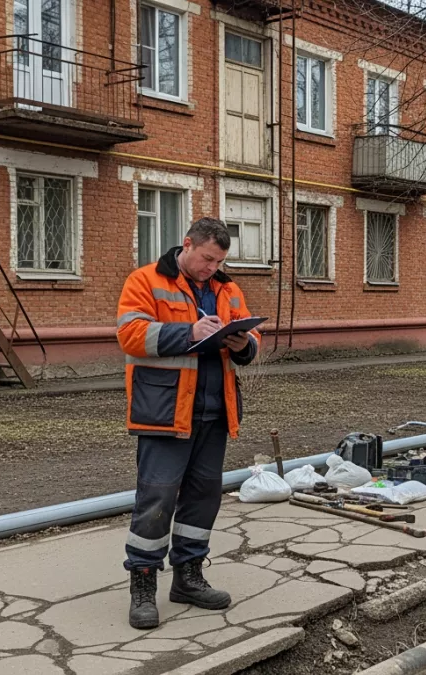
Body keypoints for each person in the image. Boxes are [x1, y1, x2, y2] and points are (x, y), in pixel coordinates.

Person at [115, 217, 260, 629]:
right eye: (207, 259)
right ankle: (143, 584)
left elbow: (252, 341)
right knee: (156, 499)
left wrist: (243, 343)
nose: (212, 268)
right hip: (164, 412)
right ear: (188, 244)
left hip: (214, 413)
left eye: (219, 262)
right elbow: (130, 335)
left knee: (203, 497)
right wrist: (190, 332)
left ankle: (188, 577)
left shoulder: (227, 289)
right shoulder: (145, 280)